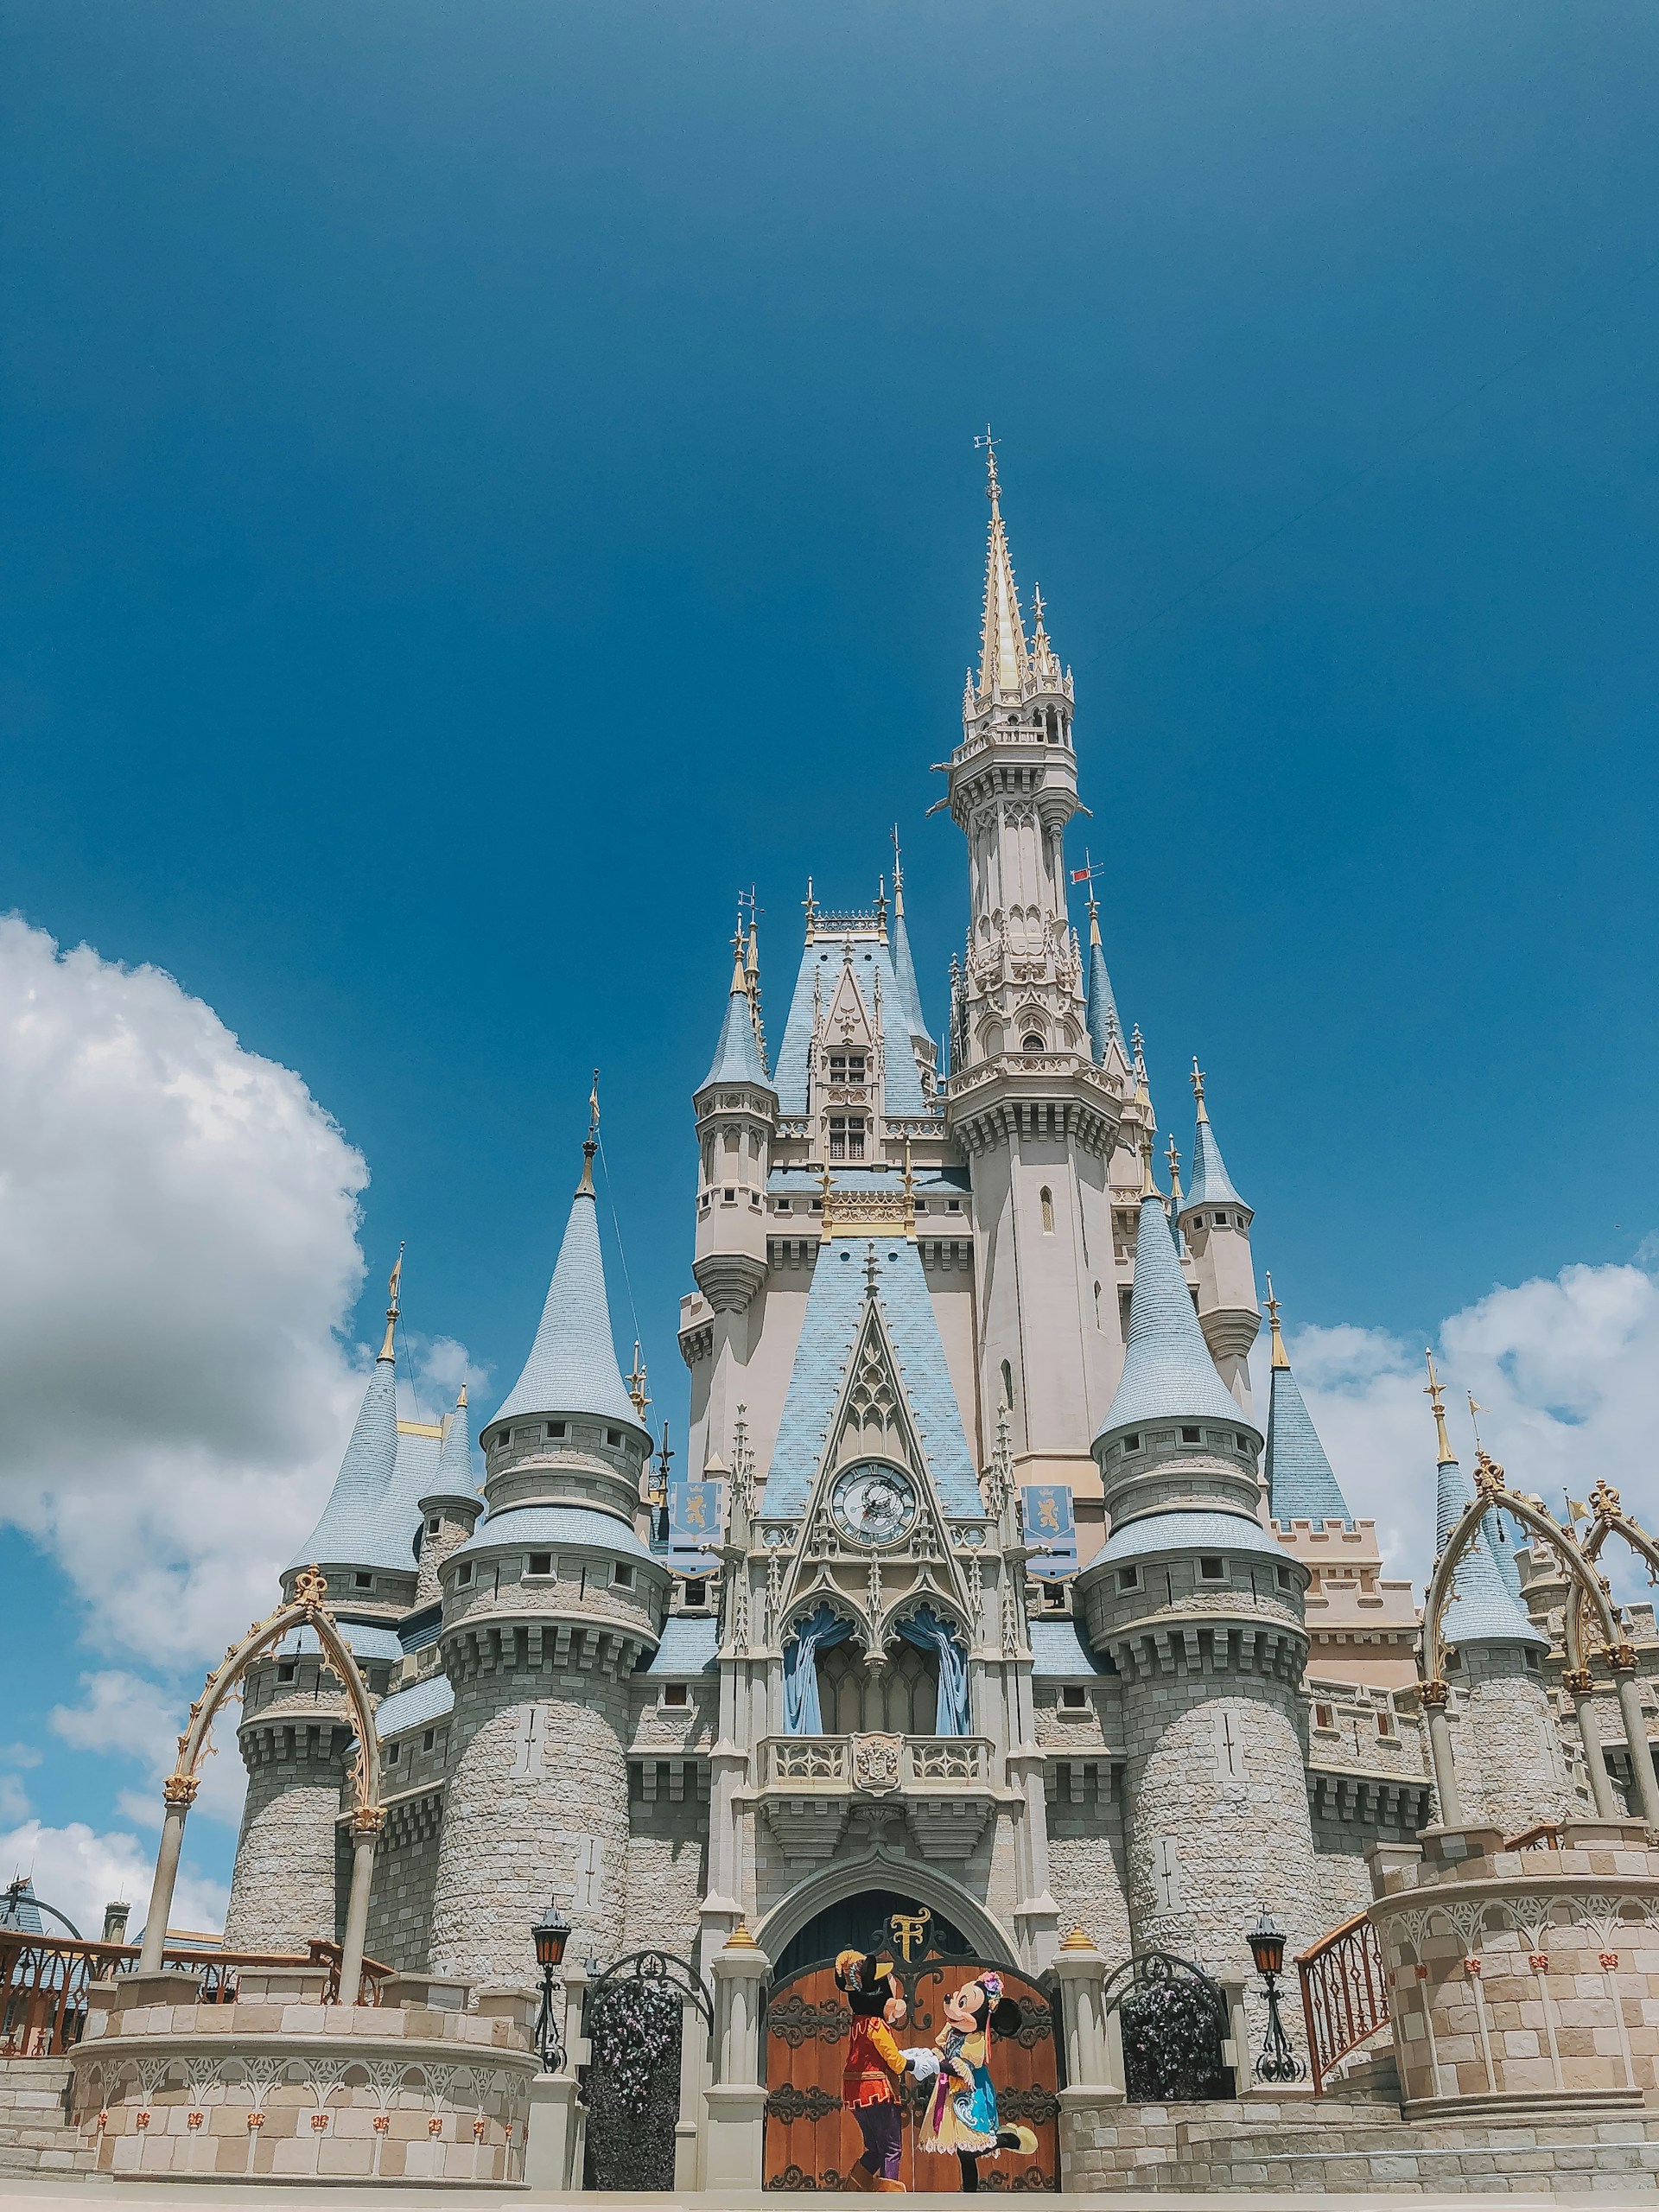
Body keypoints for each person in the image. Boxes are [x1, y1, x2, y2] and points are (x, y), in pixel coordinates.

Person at [917, 1972, 1038, 2193]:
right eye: (958, 2000)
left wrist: (931, 2065)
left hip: (973, 2094)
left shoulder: (976, 2039)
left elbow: (960, 2068)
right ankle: (970, 2194)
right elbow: (943, 2050)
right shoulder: (953, 2032)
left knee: (969, 2148)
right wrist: (932, 2057)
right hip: (952, 2093)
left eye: (964, 2004)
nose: (954, 2006)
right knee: (963, 2153)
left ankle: (1008, 2140)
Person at [834, 1949, 912, 2194]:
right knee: (891, 2148)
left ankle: (854, 2190)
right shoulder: (876, 2024)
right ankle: (889, 2202)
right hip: (878, 2091)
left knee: (875, 2149)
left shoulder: (858, 2023)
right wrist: (912, 2063)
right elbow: (894, 2060)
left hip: (856, 2095)